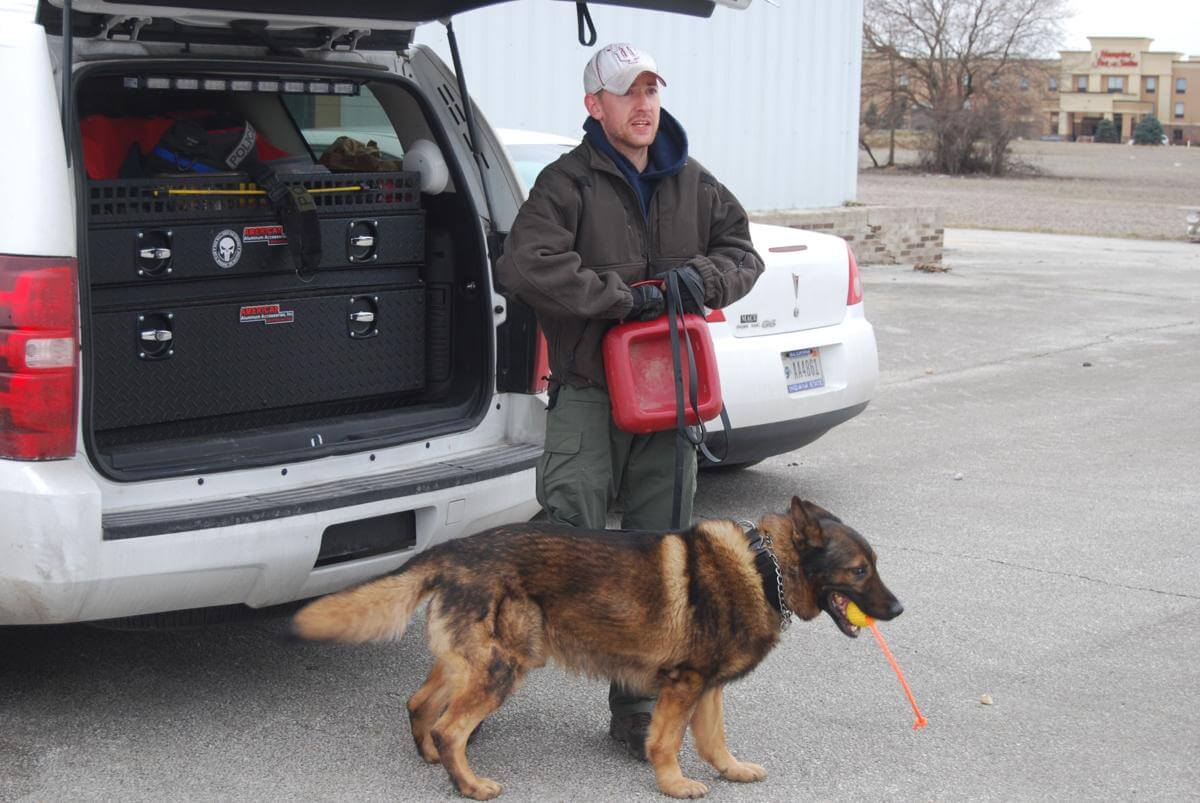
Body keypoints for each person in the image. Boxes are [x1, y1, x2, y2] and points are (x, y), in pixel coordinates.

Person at [494, 42, 764, 759]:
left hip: (670, 393)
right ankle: (477, 678)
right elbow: (524, 263)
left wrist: (698, 280)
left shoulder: (692, 180)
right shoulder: (567, 183)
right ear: (595, 106)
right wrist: (625, 297)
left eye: (651, 90)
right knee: (559, 541)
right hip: (589, 388)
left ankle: (639, 713)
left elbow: (744, 253)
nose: (644, 105)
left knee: (661, 557)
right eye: (626, 93)